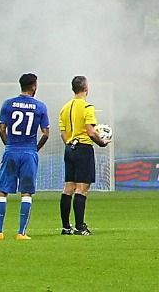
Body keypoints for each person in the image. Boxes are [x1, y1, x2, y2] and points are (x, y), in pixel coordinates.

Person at [0, 73, 50, 240]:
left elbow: (1, 129)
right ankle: (21, 233)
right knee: (26, 193)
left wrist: (8, 146)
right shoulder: (40, 106)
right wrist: (34, 149)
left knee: (2, 191)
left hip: (11, 150)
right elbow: (46, 133)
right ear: (33, 86)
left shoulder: (8, 104)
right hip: (29, 152)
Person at [56, 75, 106, 235]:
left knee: (68, 187)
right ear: (86, 88)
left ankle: (65, 227)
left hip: (69, 148)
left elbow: (63, 133)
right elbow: (91, 132)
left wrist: (70, 145)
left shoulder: (64, 108)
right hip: (84, 148)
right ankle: (79, 227)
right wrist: (102, 142)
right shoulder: (87, 107)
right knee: (82, 188)